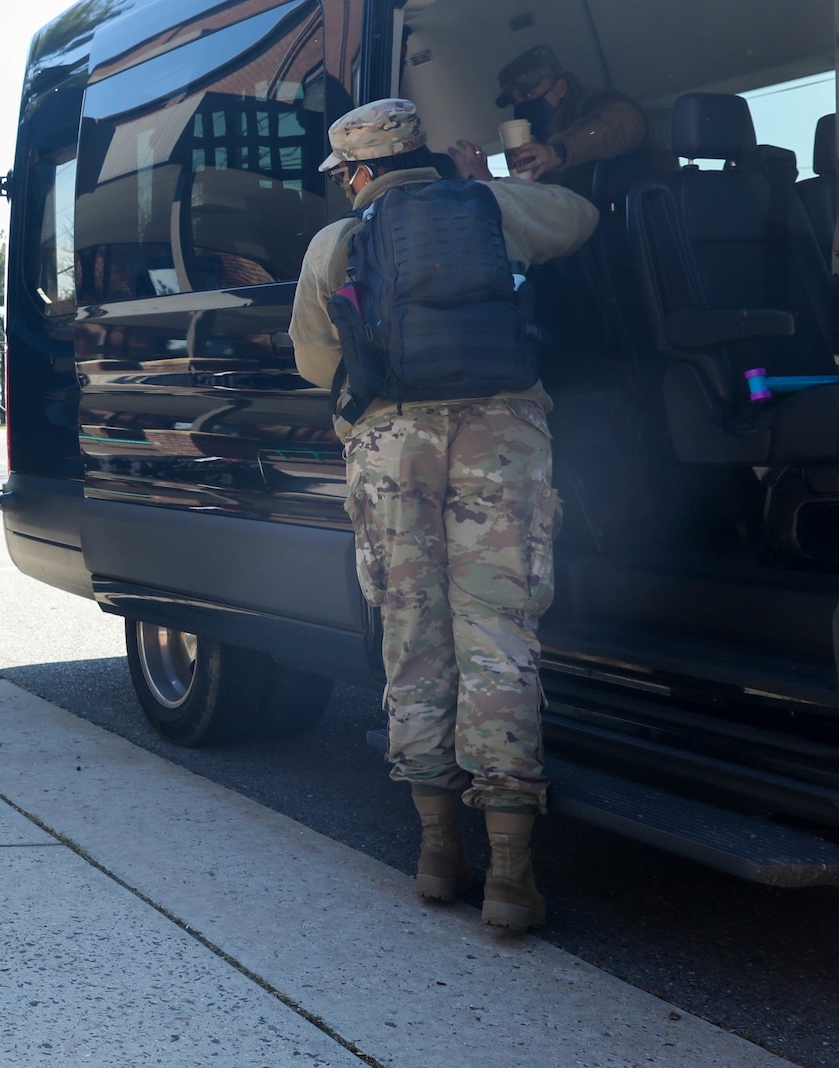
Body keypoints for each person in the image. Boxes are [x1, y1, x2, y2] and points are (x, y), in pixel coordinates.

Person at [290, 99, 597, 932]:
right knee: (499, 638)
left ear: (357, 172)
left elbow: (318, 359)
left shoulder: (336, 242)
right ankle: (510, 876)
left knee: (412, 635)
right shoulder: (492, 206)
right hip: (503, 433)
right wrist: (487, 179)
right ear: (420, 153)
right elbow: (582, 218)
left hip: (390, 446)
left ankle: (435, 855)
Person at [451, 44, 670, 198]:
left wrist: (559, 151)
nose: (523, 105)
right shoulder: (540, 144)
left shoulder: (594, 104)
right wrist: (490, 183)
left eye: (528, 95)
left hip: (647, 222)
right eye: (514, 100)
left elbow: (622, 124)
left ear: (561, 86)